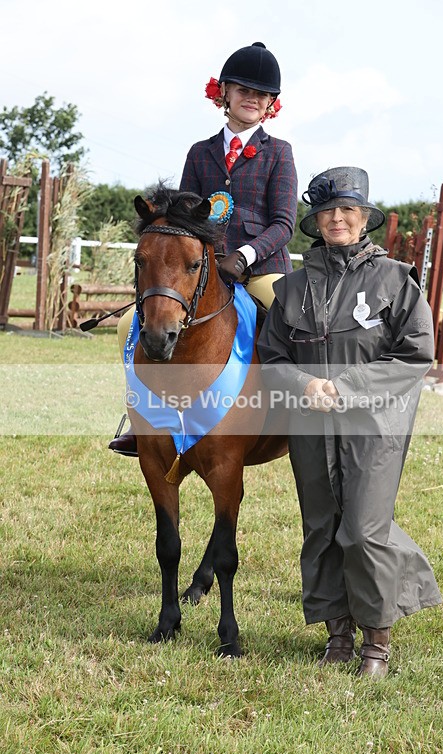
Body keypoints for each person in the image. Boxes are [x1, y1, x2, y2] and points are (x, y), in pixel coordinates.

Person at [257, 166, 442, 677]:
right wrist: (304, 385)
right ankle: (337, 634)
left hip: (374, 426)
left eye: (347, 210)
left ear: (364, 218)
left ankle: (376, 643)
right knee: (321, 527)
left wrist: (347, 387)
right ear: (315, 221)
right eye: (327, 211)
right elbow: (271, 359)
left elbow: (415, 354)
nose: (337, 218)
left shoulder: (395, 280)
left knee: (363, 530)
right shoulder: (291, 288)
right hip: (310, 426)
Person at [110, 42, 298, 456]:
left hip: (261, 267)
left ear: (270, 104)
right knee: (129, 326)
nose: (252, 98)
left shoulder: (279, 153)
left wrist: (244, 256)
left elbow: (284, 223)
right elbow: (182, 218)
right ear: (224, 92)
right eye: (244, 90)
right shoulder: (200, 152)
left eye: (262, 94)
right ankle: (141, 420)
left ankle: (295, 415)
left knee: (290, 319)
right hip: (202, 269)